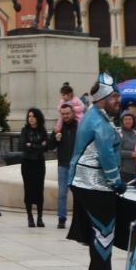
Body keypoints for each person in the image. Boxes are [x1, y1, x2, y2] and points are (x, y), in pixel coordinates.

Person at [66, 73, 126, 270]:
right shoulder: (99, 121)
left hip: (85, 182)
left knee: (98, 232)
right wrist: (116, 182)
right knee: (104, 231)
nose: (119, 101)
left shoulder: (95, 115)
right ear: (104, 98)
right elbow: (106, 155)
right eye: (116, 97)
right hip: (92, 183)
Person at [18, 107, 52, 226]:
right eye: (29, 116)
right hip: (27, 162)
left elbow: (46, 147)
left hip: (39, 163)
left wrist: (31, 145)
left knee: (39, 189)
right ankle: (30, 217)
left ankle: (39, 218)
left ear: (38, 118)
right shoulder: (24, 130)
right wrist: (38, 147)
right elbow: (23, 146)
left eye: (33, 116)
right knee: (28, 189)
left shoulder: (42, 131)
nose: (31, 119)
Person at [55, 85, 80, 229]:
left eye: (67, 114)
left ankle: (78, 217)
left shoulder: (79, 126)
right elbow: (52, 144)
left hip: (77, 164)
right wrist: (55, 136)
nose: (65, 116)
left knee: (78, 194)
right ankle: (62, 218)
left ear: (72, 113)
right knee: (62, 193)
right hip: (63, 164)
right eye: (63, 114)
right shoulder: (60, 127)